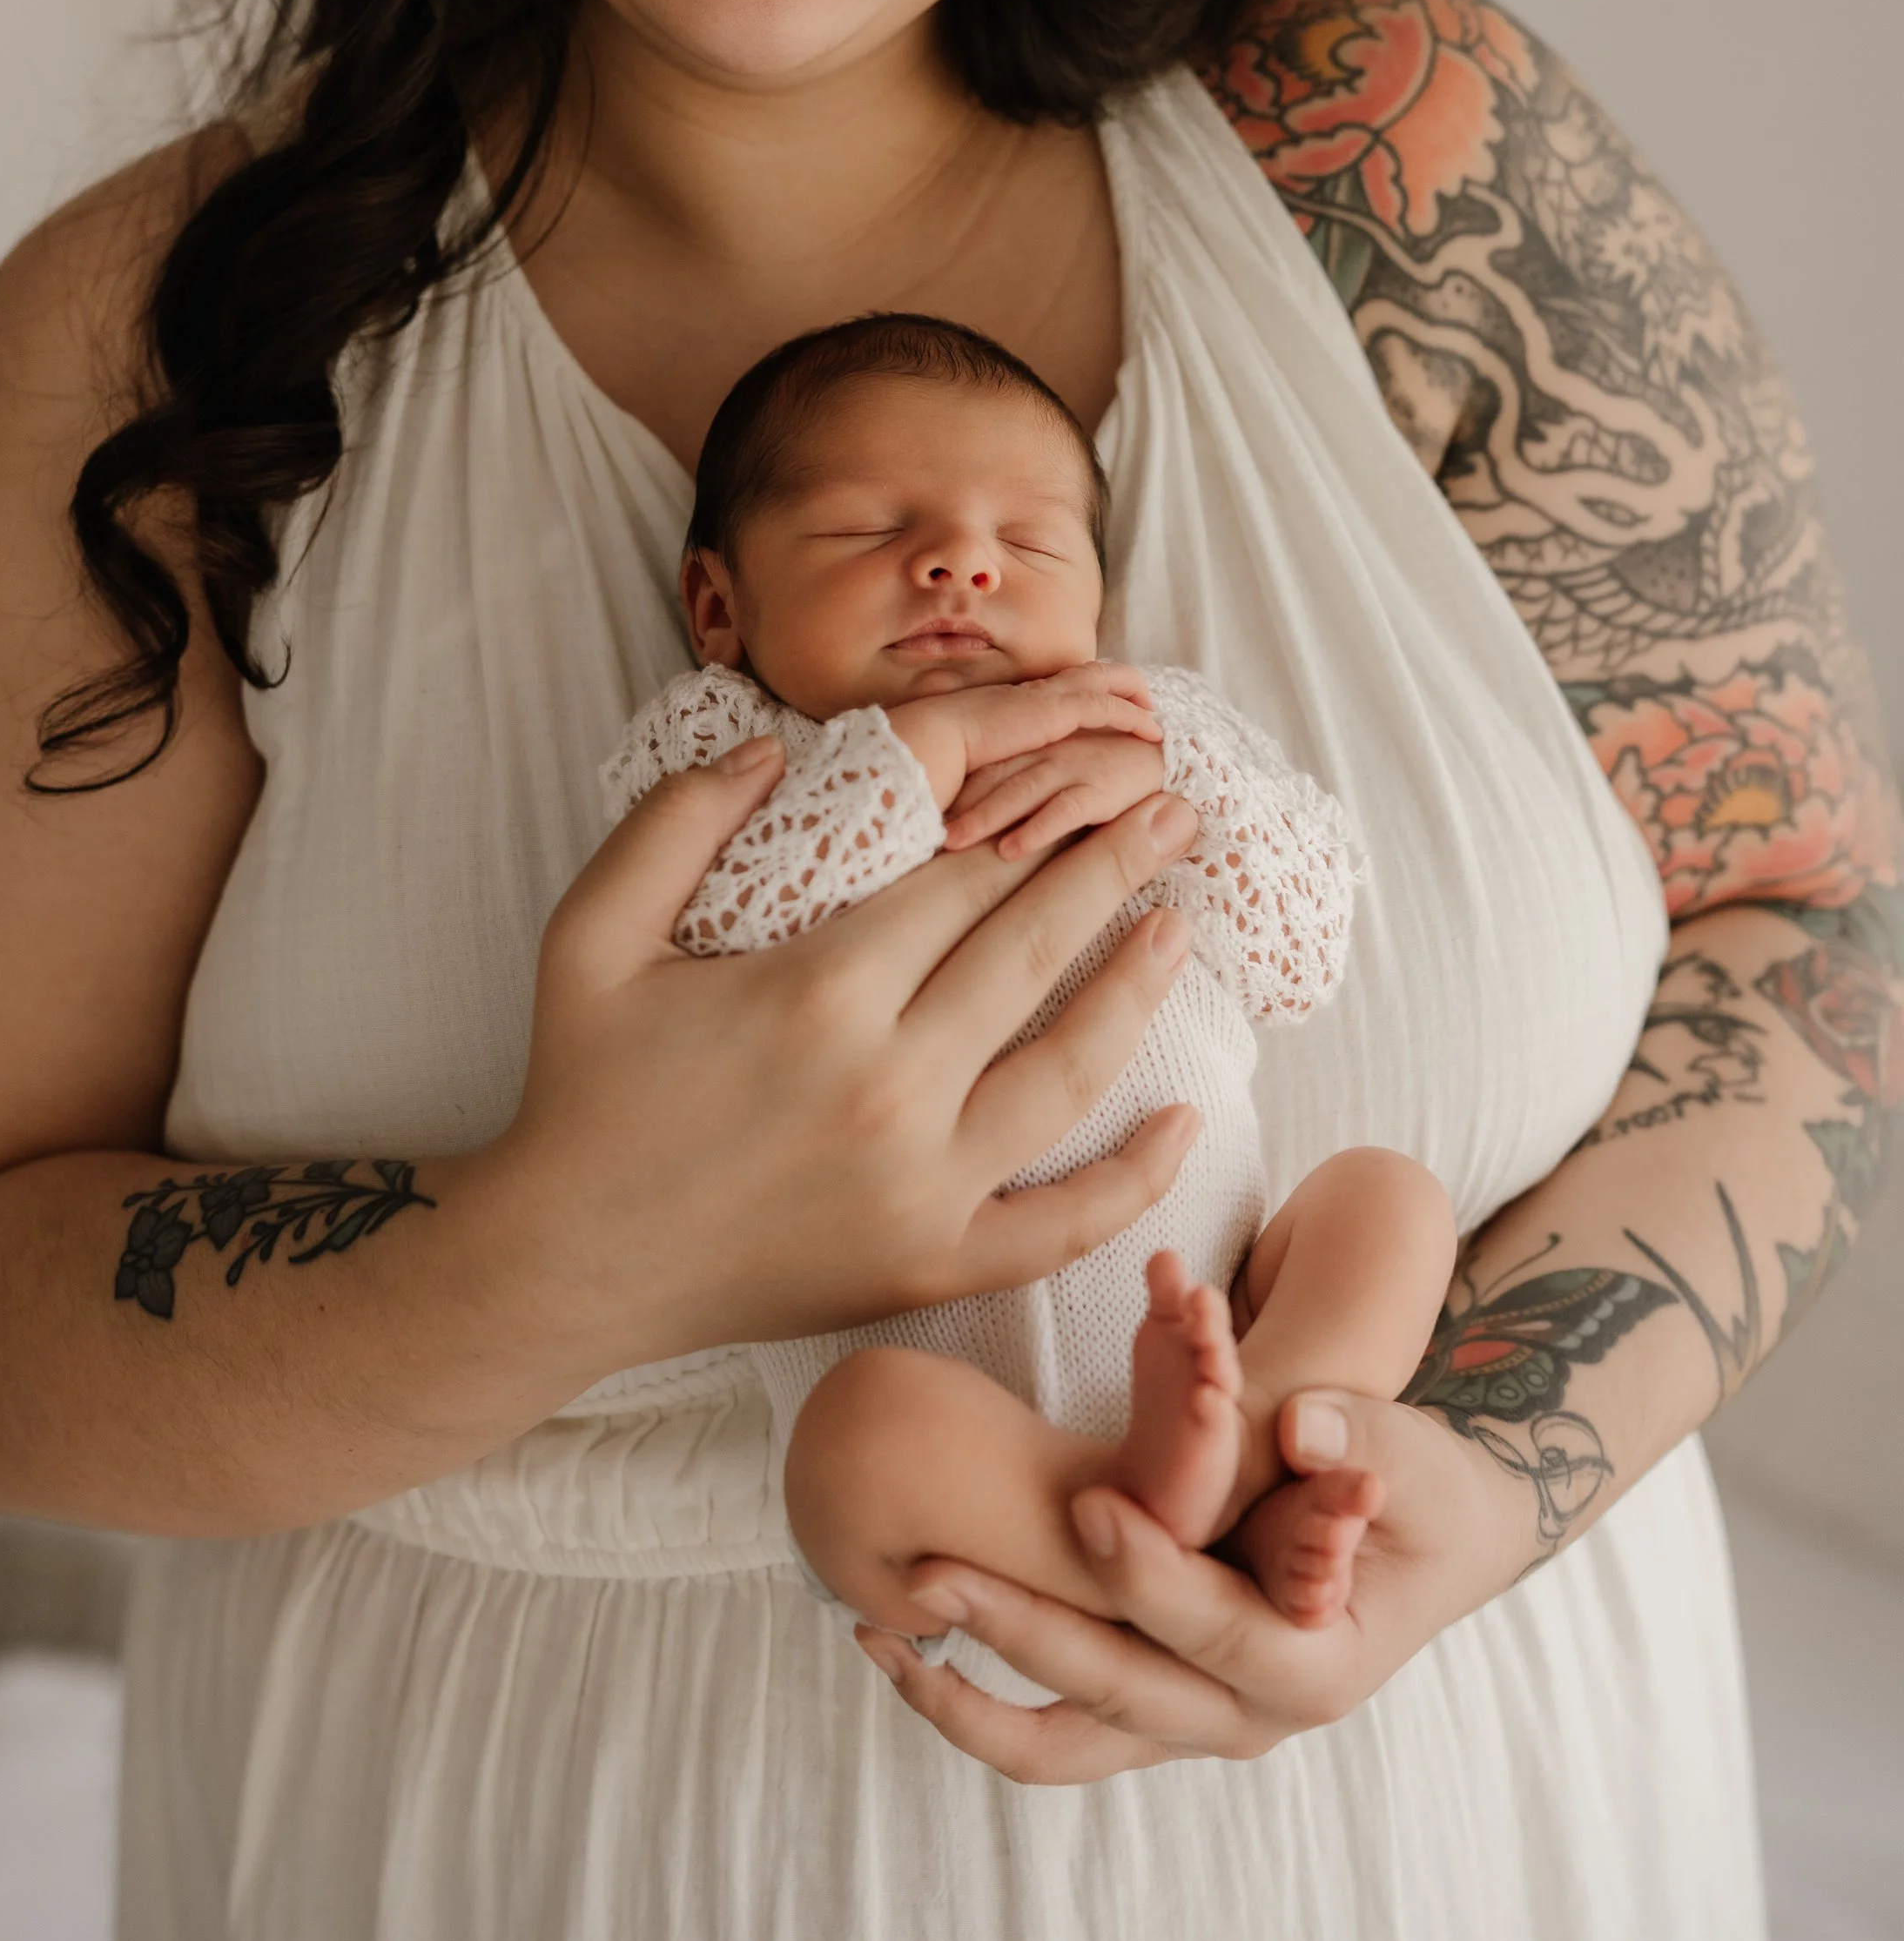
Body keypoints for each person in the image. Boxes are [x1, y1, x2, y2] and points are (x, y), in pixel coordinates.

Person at [0, 0, 1894, 1941]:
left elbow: (1803, 925)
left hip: (1448, 1827)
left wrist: (1464, 1482)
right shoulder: (162, 353)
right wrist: (565, 1247)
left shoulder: (1406, 164)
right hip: (510, 1863)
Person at [602, 307, 1460, 1662]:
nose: (959, 564)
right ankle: (1109, 1522)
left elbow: (1303, 953)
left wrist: (1190, 777)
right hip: (932, 1402)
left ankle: (1257, 1434)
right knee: (855, 1442)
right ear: (720, 606)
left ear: (1098, 605)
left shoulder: (1147, 729)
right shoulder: (727, 749)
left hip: (1208, 1300)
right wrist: (924, 758)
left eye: (1030, 545)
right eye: (871, 531)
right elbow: (709, 925)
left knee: (1388, 1205)